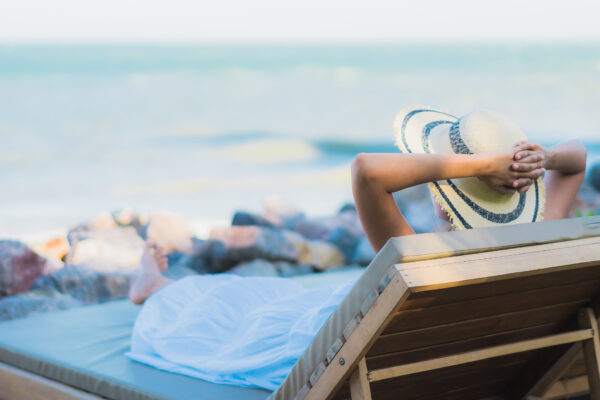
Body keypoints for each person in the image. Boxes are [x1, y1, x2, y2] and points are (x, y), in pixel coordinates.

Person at [126, 107, 587, 390]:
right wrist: (542, 158)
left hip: (345, 345)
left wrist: (481, 165)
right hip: (464, 363)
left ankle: (157, 286)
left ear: (444, 196)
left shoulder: (422, 260)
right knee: (269, 297)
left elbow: (366, 170)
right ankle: (160, 283)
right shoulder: (540, 238)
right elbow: (577, 157)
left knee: (237, 311)